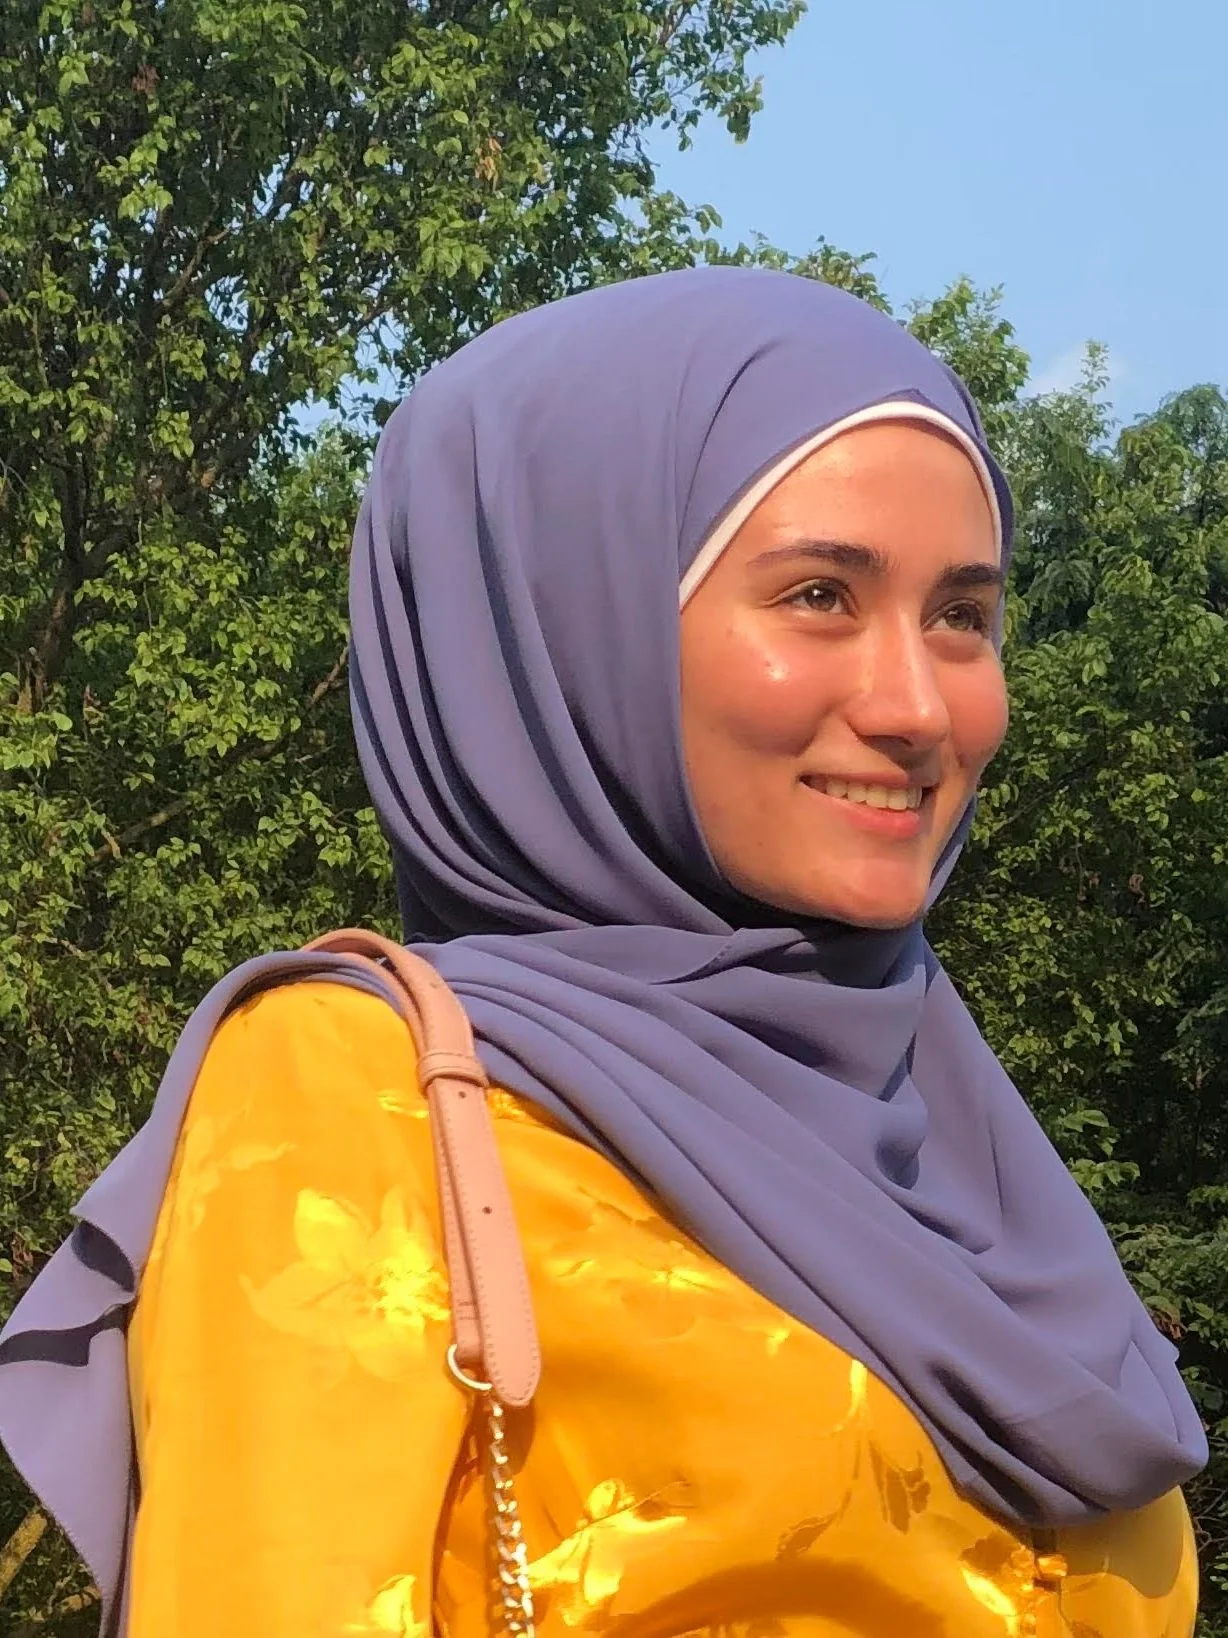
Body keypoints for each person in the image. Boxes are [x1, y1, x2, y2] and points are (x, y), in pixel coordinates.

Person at [0, 267, 1207, 1638]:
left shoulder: (965, 1139)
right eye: (819, 593)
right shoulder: (354, 1092)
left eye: (963, 616)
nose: (916, 703)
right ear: (570, 626)